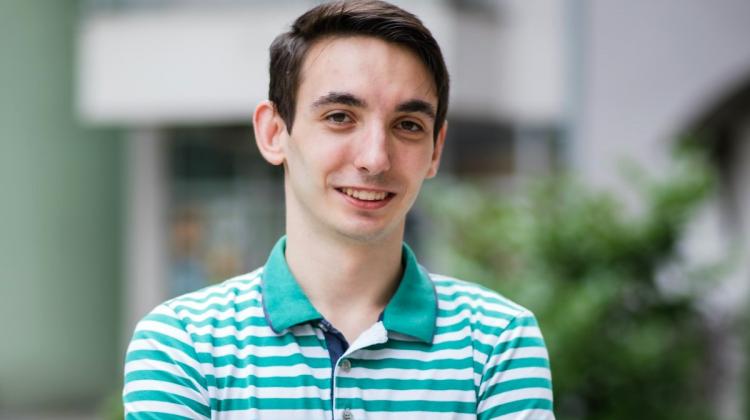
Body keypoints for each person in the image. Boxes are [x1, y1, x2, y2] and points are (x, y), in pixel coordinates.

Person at [123, 1, 554, 418]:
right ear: (274, 133)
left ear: (435, 150)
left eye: (408, 125)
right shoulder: (184, 345)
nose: (375, 159)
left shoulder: (496, 342)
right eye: (340, 117)